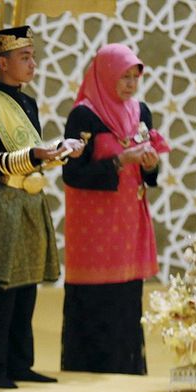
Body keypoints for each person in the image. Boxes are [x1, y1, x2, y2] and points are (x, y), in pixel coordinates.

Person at [0, 26, 84, 389]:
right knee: (1, 285)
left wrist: (58, 150)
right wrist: (32, 155)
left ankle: (20, 362)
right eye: (25, 57)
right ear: (2, 63)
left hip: (30, 200)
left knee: (26, 283)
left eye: (32, 56)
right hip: (5, 200)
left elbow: (35, 155)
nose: (32, 63)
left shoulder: (28, 103)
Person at [61, 44, 167, 374]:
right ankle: (89, 370)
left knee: (126, 300)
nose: (131, 84)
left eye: (135, 77)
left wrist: (150, 164)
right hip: (93, 232)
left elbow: (149, 176)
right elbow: (72, 174)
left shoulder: (141, 112)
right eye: (124, 76)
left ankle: (127, 369)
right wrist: (121, 160)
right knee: (96, 302)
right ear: (105, 73)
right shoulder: (84, 115)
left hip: (128, 223)